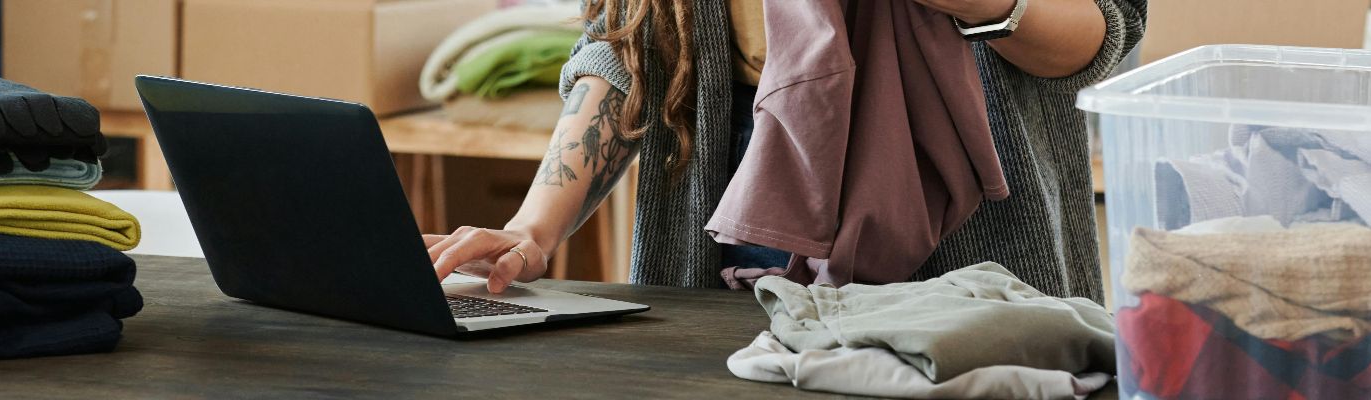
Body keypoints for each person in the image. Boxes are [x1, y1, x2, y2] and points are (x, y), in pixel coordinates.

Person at [422, 0, 1146, 301]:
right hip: (733, 221)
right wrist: (533, 228)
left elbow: (1107, 31)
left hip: (977, 258)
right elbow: (627, 45)